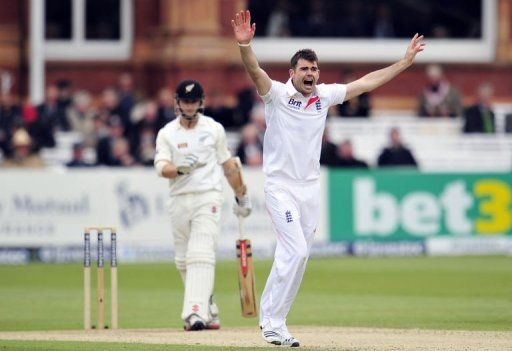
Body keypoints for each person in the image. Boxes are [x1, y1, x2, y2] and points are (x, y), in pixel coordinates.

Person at [231, 9, 424, 347]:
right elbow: (255, 71)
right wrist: (245, 46)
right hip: (280, 186)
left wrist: (404, 63)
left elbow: (365, 83)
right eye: (304, 69)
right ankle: (272, 322)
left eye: (314, 69)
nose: (311, 74)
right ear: (292, 73)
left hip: (310, 188)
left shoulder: (325, 96)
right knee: (295, 251)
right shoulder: (276, 94)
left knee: (299, 255)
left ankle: (276, 319)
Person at [154, 79, 253, 331]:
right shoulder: (167, 133)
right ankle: (209, 308)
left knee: (200, 253)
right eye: (185, 101)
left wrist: (241, 194)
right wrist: (178, 169)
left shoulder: (214, 129)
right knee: (183, 261)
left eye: (193, 101)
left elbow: (228, 164)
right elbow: (161, 168)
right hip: (179, 199)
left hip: (208, 197)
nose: (189, 106)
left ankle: (194, 313)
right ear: (178, 103)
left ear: (201, 102)